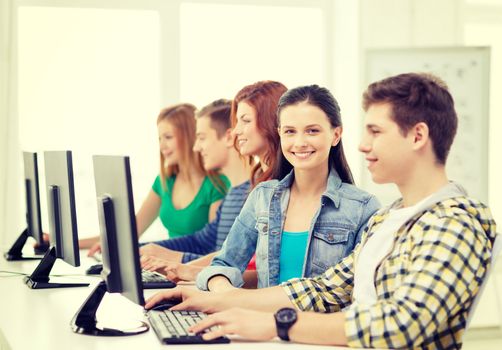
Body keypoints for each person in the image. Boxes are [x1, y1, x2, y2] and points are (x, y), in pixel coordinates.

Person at [145, 73, 497, 349]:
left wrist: (277, 323)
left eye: (375, 131)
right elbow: (324, 288)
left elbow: (402, 324)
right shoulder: (389, 218)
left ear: (418, 136)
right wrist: (213, 299)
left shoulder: (455, 221)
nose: (362, 144)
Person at [193, 85, 379, 292]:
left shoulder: (363, 208)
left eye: (312, 131)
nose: (299, 142)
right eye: (290, 131)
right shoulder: (262, 197)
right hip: (259, 322)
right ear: (280, 134)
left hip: (319, 324)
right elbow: (223, 264)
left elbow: (361, 289)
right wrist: (227, 292)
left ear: (336, 134)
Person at [139, 81, 289, 278]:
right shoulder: (251, 189)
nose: (236, 131)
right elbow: (220, 249)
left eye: (244, 120)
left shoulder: (269, 189)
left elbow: (238, 260)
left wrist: (181, 267)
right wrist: (159, 255)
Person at [80, 103, 230, 255]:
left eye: (168, 137)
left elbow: (213, 249)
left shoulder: (217, 185)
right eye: (160, 138)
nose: (162, 146)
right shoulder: (165, 182)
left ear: (190, 137)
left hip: (191, 269)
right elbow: (127, 234)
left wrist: (156, 254)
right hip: (169, 266)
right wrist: (77, 244)